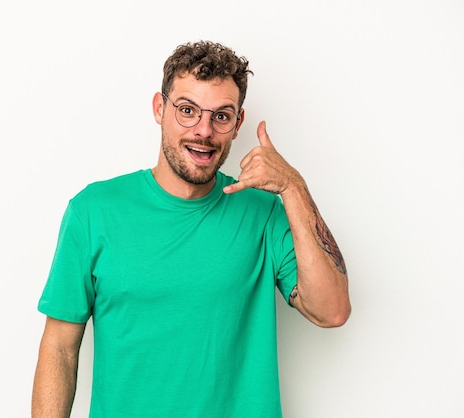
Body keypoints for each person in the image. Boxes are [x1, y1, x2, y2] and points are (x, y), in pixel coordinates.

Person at [32, 40, 351, 418]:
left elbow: (331, 311)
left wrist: (293, 187)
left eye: (221, 116)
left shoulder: (263, 212)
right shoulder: (93, 211)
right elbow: (60, 348)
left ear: (238, 125)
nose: (203, 131)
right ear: (159, 108)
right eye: (187, 110)